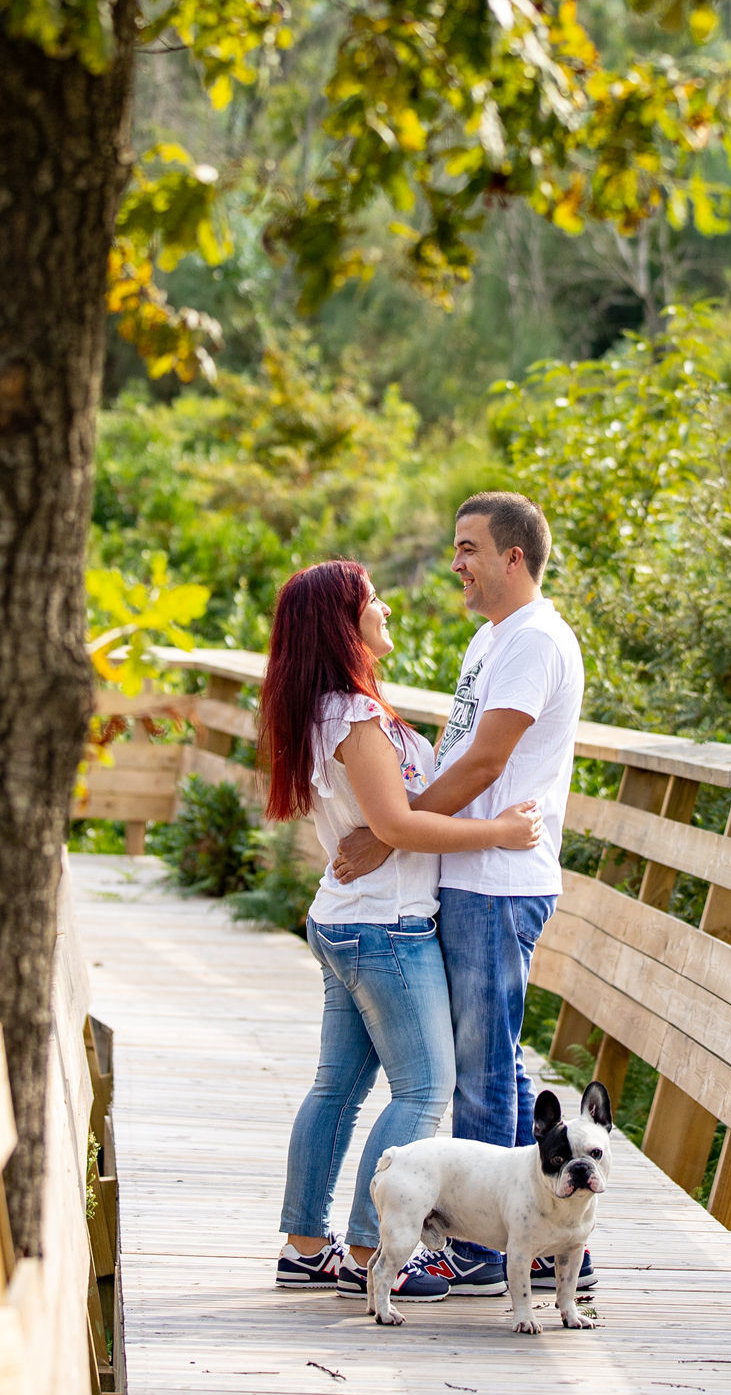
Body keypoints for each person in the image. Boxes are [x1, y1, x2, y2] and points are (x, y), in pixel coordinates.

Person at [261, 559, 543, 1296]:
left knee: (337, 1089)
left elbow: (386, 821)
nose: (384, 607)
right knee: (424, 1090)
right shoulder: (351, 715)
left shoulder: (328, 707)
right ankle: (371, 1254)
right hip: (386, 927)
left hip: (348, 921)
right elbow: (398, 825)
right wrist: (501, 835)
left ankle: (303, 1246)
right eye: (371, 599)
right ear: (341, 621)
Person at [334, 491, 586, 1299]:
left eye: (469, 547)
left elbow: (482, 765)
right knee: (499, 1064)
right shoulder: (490, 637)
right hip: (473, 879)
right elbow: (459, 752)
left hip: (500, 884)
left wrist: (391, 830)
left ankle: (480, 1256)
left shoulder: (535, 642)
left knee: (482, 1069)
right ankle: (536, 1244)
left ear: (514, 557)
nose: (457, 563)